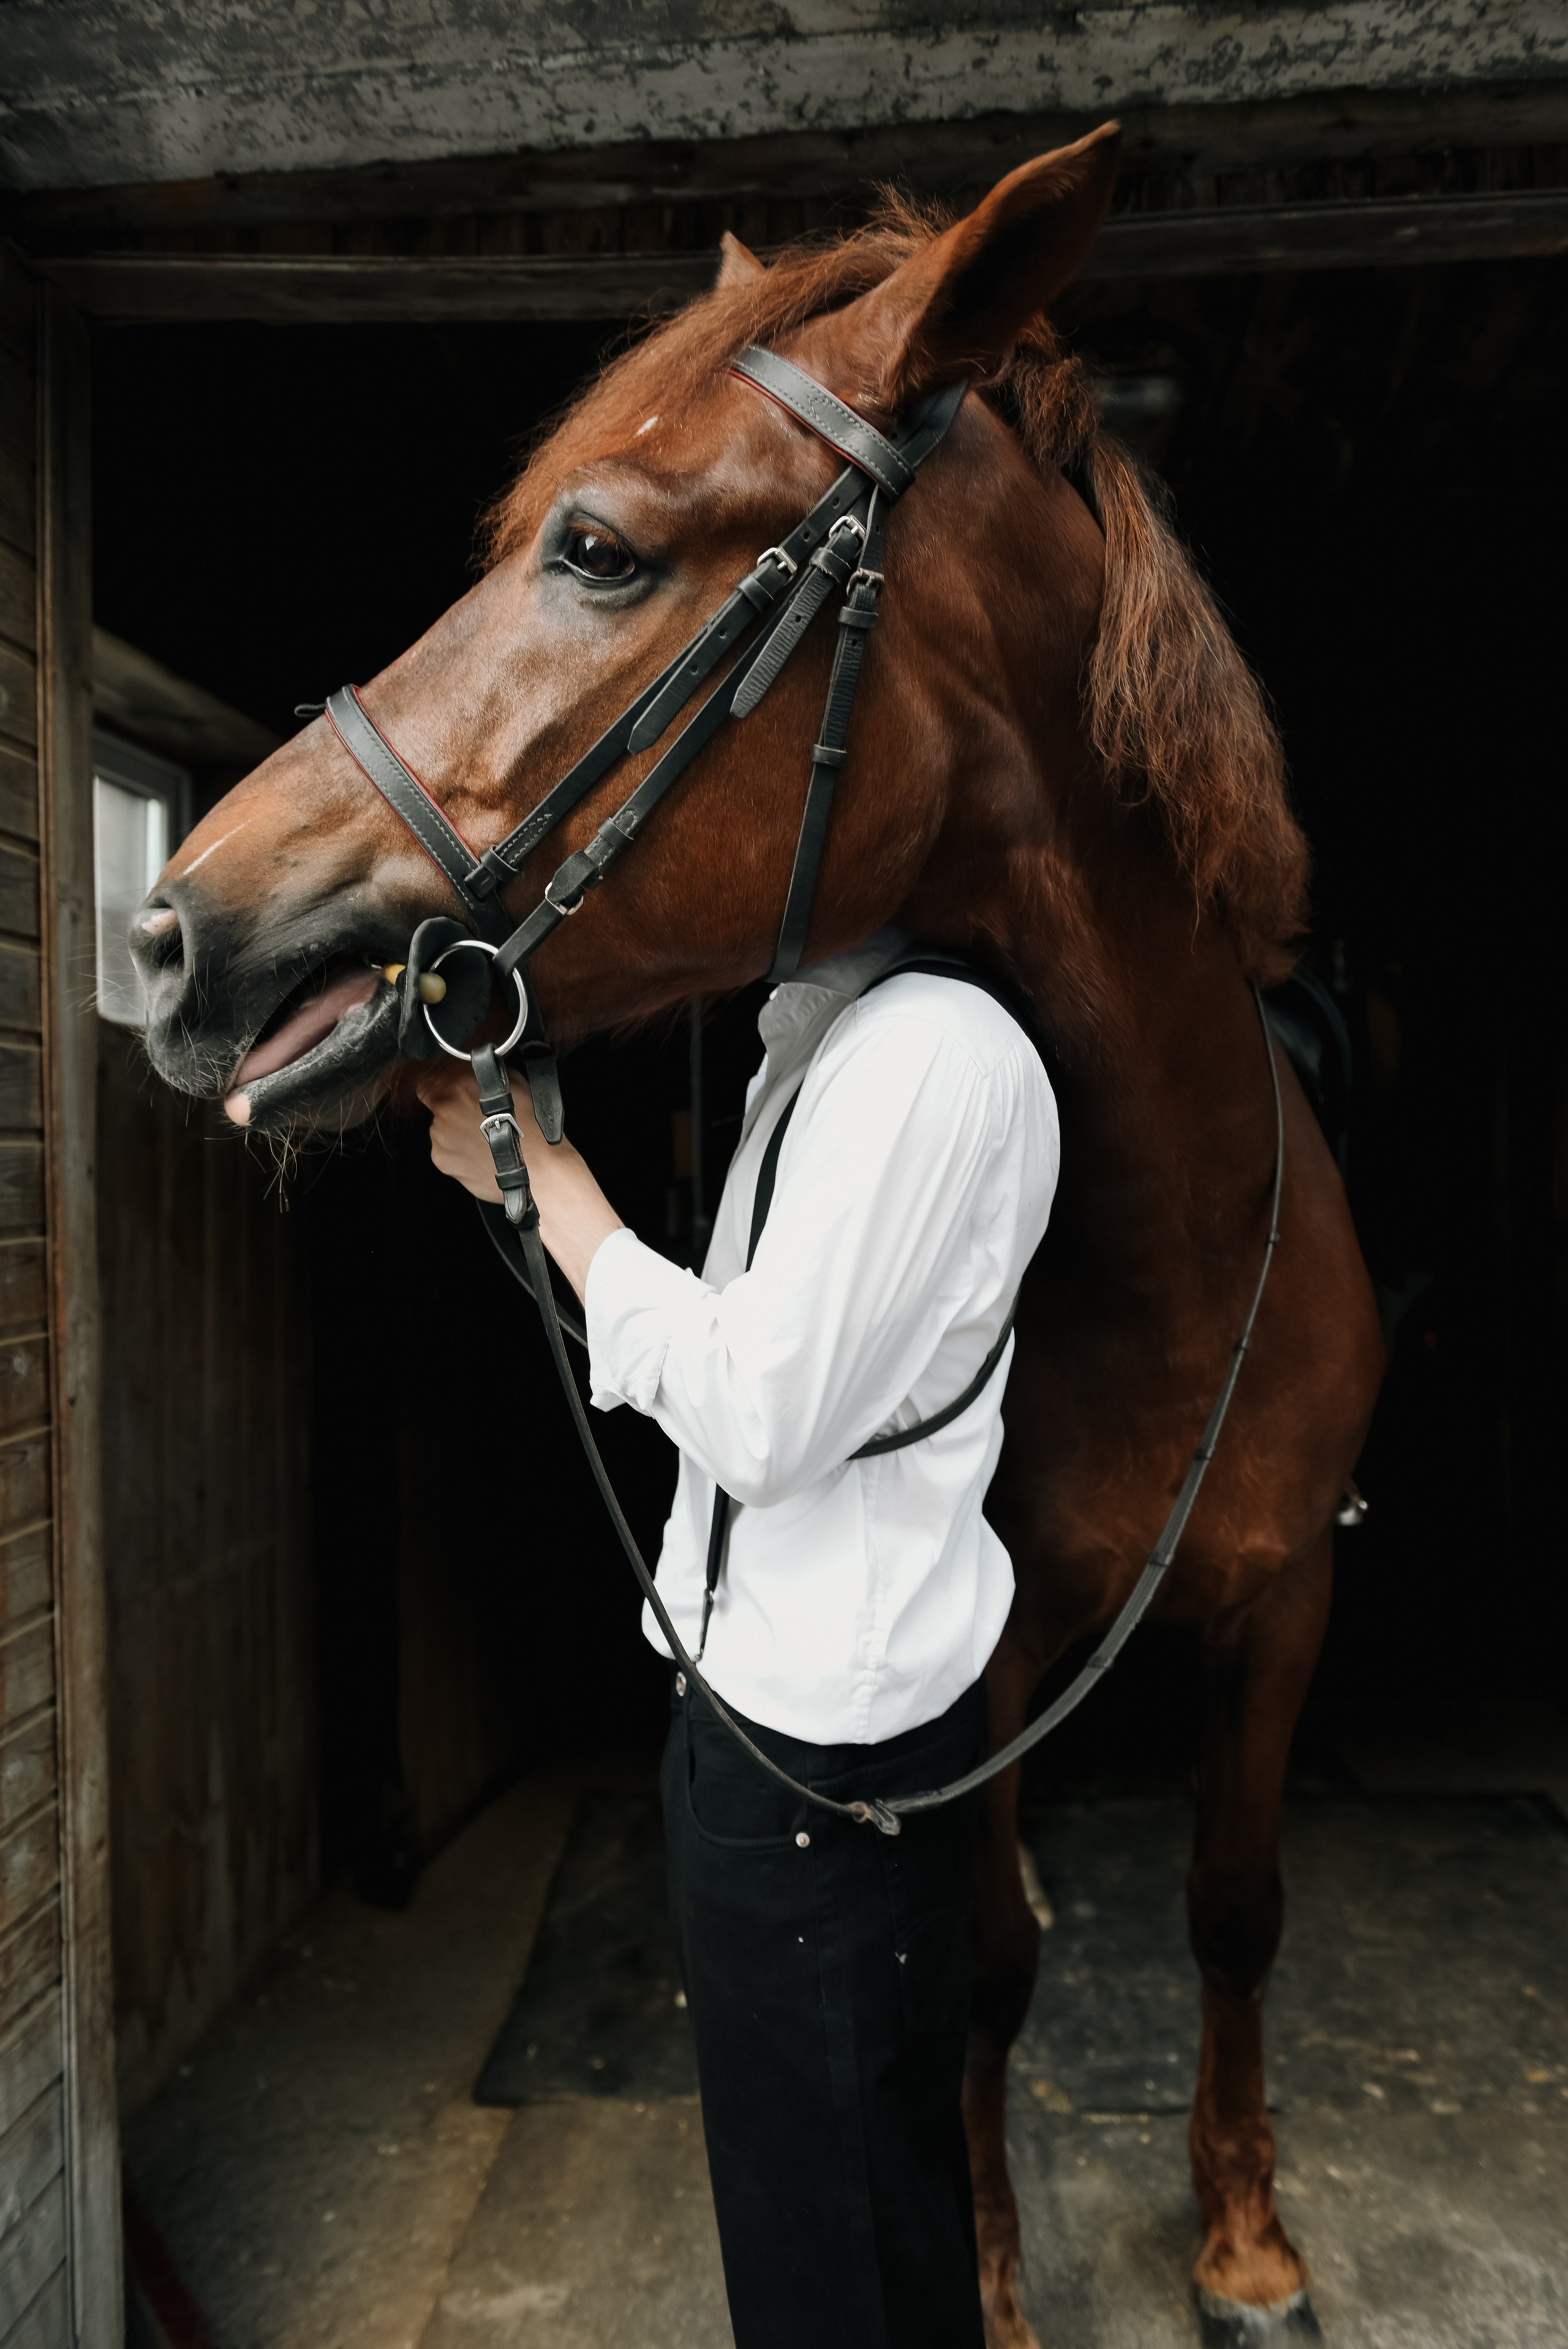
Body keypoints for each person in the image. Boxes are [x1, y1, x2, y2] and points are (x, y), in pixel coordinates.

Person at [419, 929, 1057, 2349]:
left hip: (814, 1777)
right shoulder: (844, 1040)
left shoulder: (927, 1050)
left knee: (825, 2280)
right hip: (780, 1747)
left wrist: (555, 1188)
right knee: (868, 2235)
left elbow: (760, 1420)